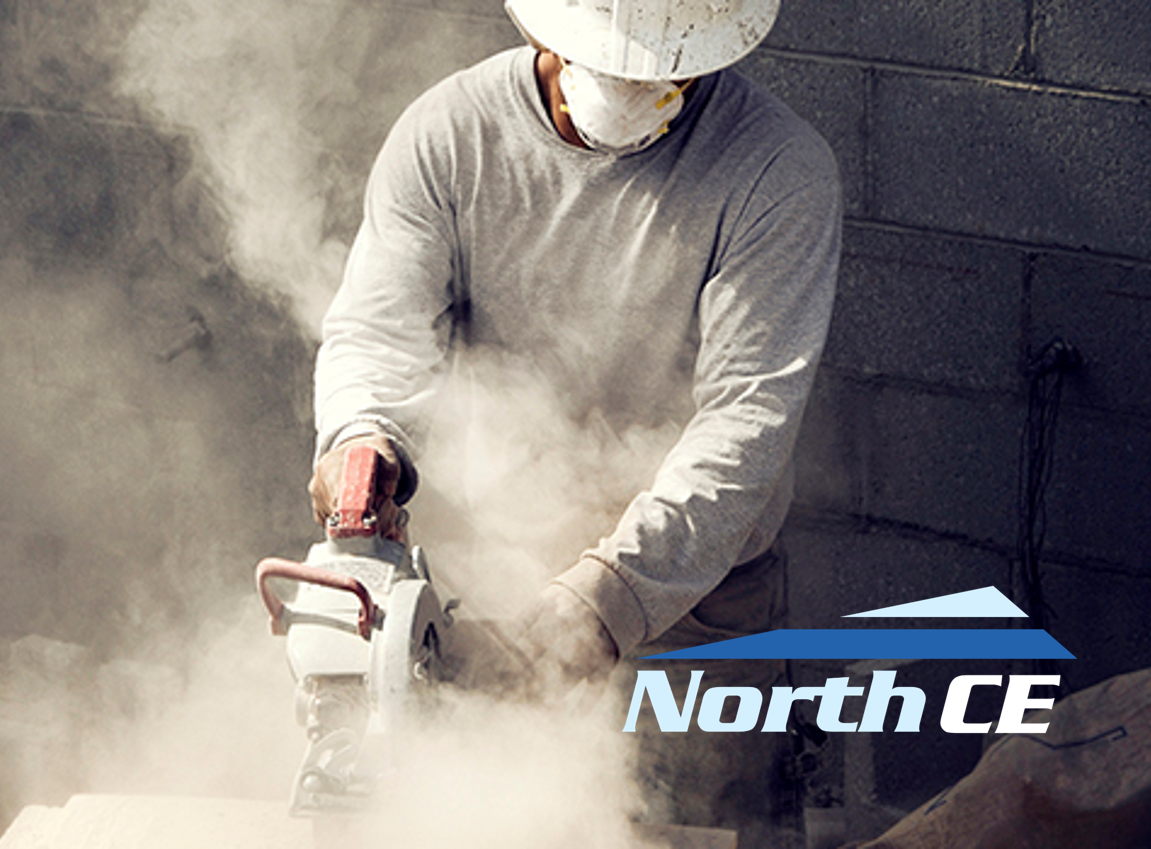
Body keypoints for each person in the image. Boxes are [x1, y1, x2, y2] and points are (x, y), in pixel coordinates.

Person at [307, 0, 839, 841]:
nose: (631, 82)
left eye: (662, 66)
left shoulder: (778, 168)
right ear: (538, 27)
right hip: (495, 575)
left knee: (702, 829)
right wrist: (363, 433)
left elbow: (746, 421)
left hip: (697, 599)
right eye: (606, 59)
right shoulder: (450, 134)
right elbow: (380, 332)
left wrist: (607, 598)